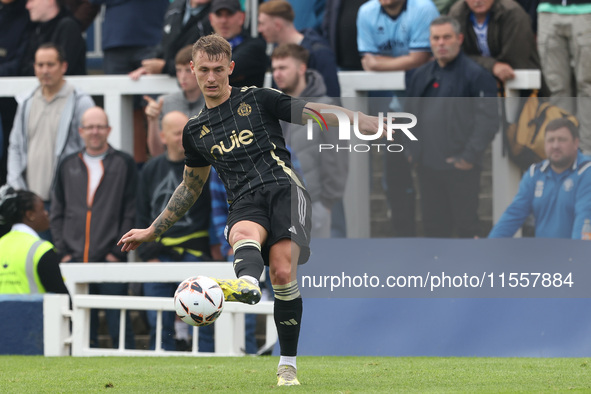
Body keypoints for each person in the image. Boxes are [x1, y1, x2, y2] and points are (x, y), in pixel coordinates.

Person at [118, 33, 384, 385]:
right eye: (203, 70)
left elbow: (314, 112)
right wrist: (153, 230)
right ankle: (246, 283)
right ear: (192, 71)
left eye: (217, 70)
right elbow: (190, 187)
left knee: (283, 273)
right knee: (243, 233)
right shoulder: (195, 131)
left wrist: (358, 119)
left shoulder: (260, 98)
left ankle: (287, 364)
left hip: (285, 190)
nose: (211, 78)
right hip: (244, 200)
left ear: (230, 68)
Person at [51, 106, 137, 349]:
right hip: (74, 260)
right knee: (79, 326)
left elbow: (130, 210)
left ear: (109, 130)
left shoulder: (124, 163)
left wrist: (115, 253)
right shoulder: (68, 164)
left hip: (110, 257)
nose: (95, 132)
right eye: (89, 127)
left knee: (119, 323)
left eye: (100, 126)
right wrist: (64, 253)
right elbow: (57, 212)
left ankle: (131, 368)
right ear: (81, 131)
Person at [405, 16, 499, 238]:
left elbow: (488, 120)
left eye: (446, 37)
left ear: (459, 38)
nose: (441, 43)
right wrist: (412, 153)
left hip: (461, 171)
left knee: (467, 229)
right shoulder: (420, 75)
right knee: (433, 231)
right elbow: (407, 116)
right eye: (436, 38)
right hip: (427, 168)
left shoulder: (477, 75)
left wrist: (468, 156)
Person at [357, 0, 439, 238]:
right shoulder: (366, 12)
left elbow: (421, 59)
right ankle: (404, 236)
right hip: (391, 107)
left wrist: (380, 64)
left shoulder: (424, 9)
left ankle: (439, 240)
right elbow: (367, 62)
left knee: (431, 171)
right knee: (394, 175)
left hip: (428, 101)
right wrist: (407, 62)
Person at [137, 111, 213, 351]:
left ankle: (207, 365)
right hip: (157, 253)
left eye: (187, 131)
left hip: (195, 252)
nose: (183, 137)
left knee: (203, 316)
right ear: (162, 136)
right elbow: (141, 213)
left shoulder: (203, 164)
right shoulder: (150, 169)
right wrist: (147, 255)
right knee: (158, 323)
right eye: (177, 132)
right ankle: (159, 369)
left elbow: (213, 210)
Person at [7, 43, 94, 215]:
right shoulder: (26, 101)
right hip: (30, 203)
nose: (45, 70)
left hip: (68, 201)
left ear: (63, 66)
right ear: (34, 68)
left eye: (50, 64)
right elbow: (15, 146)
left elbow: (90, 149)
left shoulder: (80, 101)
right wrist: (18, 188)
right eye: (40, 65)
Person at [271, 43, 347, 237]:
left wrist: (326, 203)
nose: (277, 74)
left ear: (302, 68)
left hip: (317, 206)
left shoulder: (326, 107)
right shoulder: (271, 108)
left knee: (322, 265)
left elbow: (337, 157)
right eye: (274, 69)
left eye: (283, 68)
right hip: (280, 209)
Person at [489, 118, 591, 238]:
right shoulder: (535, 173)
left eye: (562, 140)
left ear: (576, 143)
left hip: (578, 252)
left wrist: (578, 254)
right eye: (550, 140)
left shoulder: (587, 171)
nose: (555, 145)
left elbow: (585, 216)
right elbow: (514, 214)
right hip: (544, 252)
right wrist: (489, 246)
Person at [448, 0, 548, 93]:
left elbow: (513, 62)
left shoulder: (512, 12)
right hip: (475, 82)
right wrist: (492, 66)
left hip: (523, 88)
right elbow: (455, 57)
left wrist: (486, 66)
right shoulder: (457, 13)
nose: (478, 1)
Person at [537, 0, 591, 154]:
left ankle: (587, 158)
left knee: (587, 87)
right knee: (556, 88)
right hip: (548, 11)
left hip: (586, 10)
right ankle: (562, 155)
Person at [258, 0, 341, 97]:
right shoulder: (277, 52)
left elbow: (332, 97)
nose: (259, 29)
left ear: (277, 25)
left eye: (262, 24)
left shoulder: (319, 53)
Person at [0, 185, 69, 295]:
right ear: (30, 215)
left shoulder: (1, 243)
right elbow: (62, 298)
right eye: (42, 209)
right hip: (33, 312)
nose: (46, 213)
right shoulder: (41, 249)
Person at [144, 45, 205, 157]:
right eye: (178, 70)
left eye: (188, 70)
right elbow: (157, 153)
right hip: (172, 167)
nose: (182, 77)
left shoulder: (213, 102)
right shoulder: (164, 102)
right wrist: (153, 120)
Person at [128, 0, 213, 80]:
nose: (223, 19)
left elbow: (209, 61)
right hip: (174, 84)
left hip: (201, 89)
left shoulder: (219, 12)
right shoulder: (175, 7)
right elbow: (165, 45)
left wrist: (165, 67)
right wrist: (149, 66)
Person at [208, 0, 267, 88]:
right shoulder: (205, 45)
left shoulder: (254, 47)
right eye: (219, 15)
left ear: (242, 17)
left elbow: (222, 70)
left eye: (229, 14)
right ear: (211, 19)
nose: (224, 20)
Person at [20, 0, 87, 76]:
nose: (28, 6)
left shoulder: (68, 27)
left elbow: (59, 71)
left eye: (32, 1)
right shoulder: (35, 30)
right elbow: (23, 68)